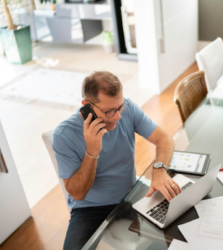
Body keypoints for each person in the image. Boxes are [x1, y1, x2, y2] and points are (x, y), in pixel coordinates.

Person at [52, 71, 182, 250]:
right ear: (86, 105)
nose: (118, 117)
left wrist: (159, 170)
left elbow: (165, 139)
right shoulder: (64, 135)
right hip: (89, 209)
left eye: (119, 107)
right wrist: (92, 152)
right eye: (108, 111)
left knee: (179, 226)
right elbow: (78, 194)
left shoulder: (128, 109)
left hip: (131, 196)